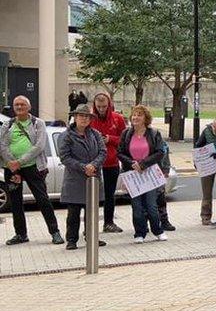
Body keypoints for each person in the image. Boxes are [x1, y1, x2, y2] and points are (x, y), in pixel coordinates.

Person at [0, 96, 64, 245]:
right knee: (15, 202)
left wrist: (20, 161)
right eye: (16, 105)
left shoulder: (38, 123)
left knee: (43, 200)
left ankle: (55, 232)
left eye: (22, 104)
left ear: (29, 107)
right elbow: (2, 144)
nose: (19, 107)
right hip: (12, 169)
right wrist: (11, 163)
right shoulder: (7, 124)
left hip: (33, 167)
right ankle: (21, 234)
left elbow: (39, 146)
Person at [57, 104, 107, 250]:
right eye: (81, 116)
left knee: (92, 212)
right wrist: (83, 167)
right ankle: (72, 240)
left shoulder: (95, 134)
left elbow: (103, 152)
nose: (84, 119)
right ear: (75, 117)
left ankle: (92, 237)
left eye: (87, 116)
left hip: (93, 178)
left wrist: (93, 165)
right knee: (73, 213)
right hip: (75, 180)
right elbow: (65, 157)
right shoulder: (66, 135)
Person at [117, 105, 168, 243]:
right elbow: (120, 152)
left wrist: (144, 164)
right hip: (133, 174)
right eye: (134, 115)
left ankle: (158, 231)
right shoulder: (126, 134)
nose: (135, 117)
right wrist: (132, 163)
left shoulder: (154, 133)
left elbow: (160, 152)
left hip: (149, 173)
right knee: (137, 206)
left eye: (139, 115)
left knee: (151, 206)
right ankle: (139, 233)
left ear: (146, 118)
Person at [90, 92, 127, 233]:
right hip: (94, 163)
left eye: (104, 106)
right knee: (92, 195)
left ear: (109, 105)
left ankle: (108, 222)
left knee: (110, 195)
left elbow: (124, 140)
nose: (101, 109)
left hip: (111, 162)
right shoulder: (90, 119)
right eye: (99, 106)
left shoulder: (117, 119)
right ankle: (90, 225)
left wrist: (109, 139)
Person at [195, 117, 216, 225]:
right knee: (207, 193)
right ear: (212, 126)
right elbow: (198, 146)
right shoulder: (206, 131)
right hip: (207, 165)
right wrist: (197, 161)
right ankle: (205, 217)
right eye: (215, 127)